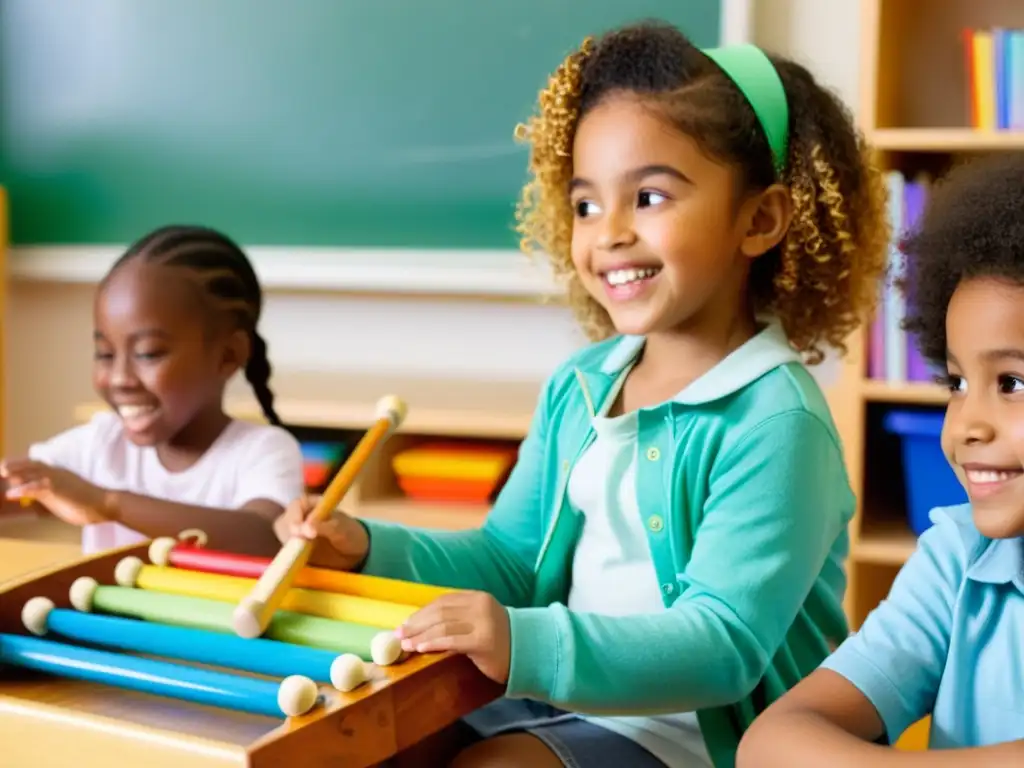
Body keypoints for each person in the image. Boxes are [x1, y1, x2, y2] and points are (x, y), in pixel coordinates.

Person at [276, 20, 888, 768]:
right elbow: (510, 561)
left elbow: (722, 645)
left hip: (699, 736)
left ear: (759, 219)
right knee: (350, 747)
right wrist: (371, 546)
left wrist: (522, 640)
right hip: (553, 698)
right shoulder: (582, 387)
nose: (609, 235)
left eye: (651, 196)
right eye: (587, 205)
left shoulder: (776, 418)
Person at [736, 155, 1024, 766]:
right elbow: (770, 744)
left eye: (1013, 384)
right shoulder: (961, 557)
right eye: (956, 383)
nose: (966, 425)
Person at [1, 225, 304, 556]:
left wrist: (107, 503)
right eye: (105, 354)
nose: (119, 378)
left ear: (227, 356)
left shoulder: (262, 451)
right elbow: (18, 487)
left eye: (148, 353)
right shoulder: (101, 444)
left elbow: (267, 538)